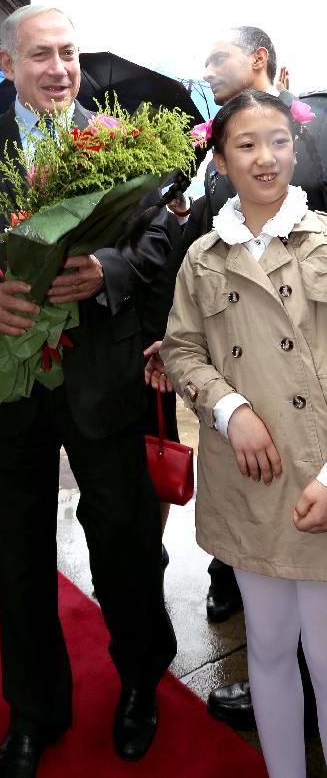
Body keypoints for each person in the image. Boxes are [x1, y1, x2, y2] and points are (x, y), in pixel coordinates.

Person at [0, 4, 177, 778]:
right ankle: (34, 713)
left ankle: (140, 681)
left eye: (67, 54)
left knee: (125, 546)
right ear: (6, 64)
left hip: (100, 378)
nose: (59, 69)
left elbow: (159, 234)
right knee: (18, 559)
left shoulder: (118, 143)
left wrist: (110, 272)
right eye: (40, 55)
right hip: (6, 393)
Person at [160, 90, 327, 778]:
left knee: (324, 653)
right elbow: (180, 350)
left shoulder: (324, 240)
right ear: (220, 160)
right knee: (264, 644)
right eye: (246, 145)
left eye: (278, 141)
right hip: (249, 480)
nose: (266, 157)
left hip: (319, 481)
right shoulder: (201, 257)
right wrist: (228, 408)